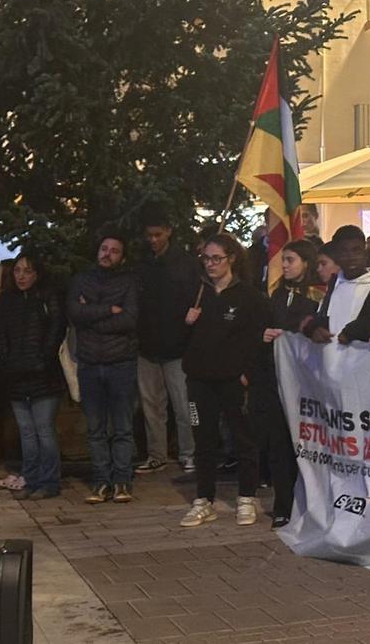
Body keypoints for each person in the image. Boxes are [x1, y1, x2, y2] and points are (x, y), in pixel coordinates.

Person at [180, 234, 263, 527]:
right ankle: (204, 499)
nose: (211, 264)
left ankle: (246, 497)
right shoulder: (197, 292)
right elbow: (179, 340)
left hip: (232, 380)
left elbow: (256, 341)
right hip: (199, 379)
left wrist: (246, 374)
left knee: (242, 438)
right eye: (206, 258)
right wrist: (187, 323)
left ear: (232, 259)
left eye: (217, 258)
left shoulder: (249, 297)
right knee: (203, 439)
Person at [251, 239, 325, 528]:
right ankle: (283, 505)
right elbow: (262, 326)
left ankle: (309, 505)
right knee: (278, 444)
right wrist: (264, 334)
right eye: (283, 260)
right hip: (275, 380)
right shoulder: (277, 294)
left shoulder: (319, 296)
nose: (283, 265)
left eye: (290, 260)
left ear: (306, 263)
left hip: (306, 384)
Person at [67, 234, 139, 504]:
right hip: (89, 363)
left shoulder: (129, 281)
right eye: (104, 248)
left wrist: (92, 316)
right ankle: (101, 481)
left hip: (120, 363)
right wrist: (110, 309)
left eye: (114, 251)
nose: (107, 254)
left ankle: (122, 481)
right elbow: (74, 314)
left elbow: (130, 320)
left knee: (122, 427)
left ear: (122, 256)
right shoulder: (81, 280)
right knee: (95, 428)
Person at [0, 253, 67, 500]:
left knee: (44, 429)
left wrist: (42, 359)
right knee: (26, 431)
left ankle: (49, 481)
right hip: (15, 374)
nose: (21, 276)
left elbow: (56, 329)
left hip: (43, 375)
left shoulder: (47, 297)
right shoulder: (6, 299)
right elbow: (0, 332)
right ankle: (31, 478)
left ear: (37, 273)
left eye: (27, 271)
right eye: (17, 271)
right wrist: (7, 361)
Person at [134, 211, 199, 475]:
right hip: (148, 346)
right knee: (152, 407)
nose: (153, 240)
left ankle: (189, 453)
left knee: (184, 405)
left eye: (157, 235)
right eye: (149, 235)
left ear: (168, 232)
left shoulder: (186, 263)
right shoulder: (142, 265)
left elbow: (196, 298)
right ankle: (157, 453)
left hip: (177, 346)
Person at [305, 226, 370, 343]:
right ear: (336, 256)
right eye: (343, 251)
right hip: (334, 358)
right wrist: (315, 328)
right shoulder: (334, 284)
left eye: (356, 250)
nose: (351, 258)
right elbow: (324, 318)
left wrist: (355, 332)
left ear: (365, 252)